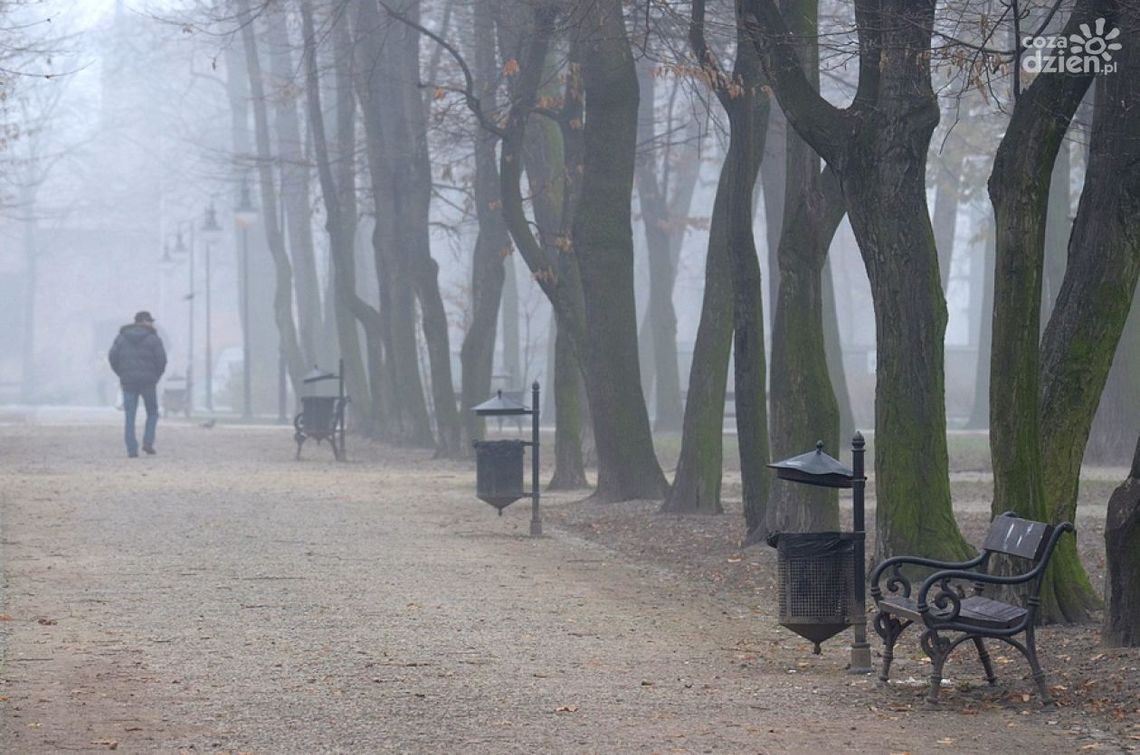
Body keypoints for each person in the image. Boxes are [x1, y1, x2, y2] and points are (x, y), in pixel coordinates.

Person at [108, 311, 167, 458]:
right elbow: (162, 360)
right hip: (148, 382)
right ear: (144, 321)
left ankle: (132, 449)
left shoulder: (121, 338)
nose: (152, 324)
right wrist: (155, 376)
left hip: (129, 382)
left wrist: (122, 374)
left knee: (130, 416)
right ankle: (148, 442)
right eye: (150, 321)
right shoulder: (154, 339)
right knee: (152, 412)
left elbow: (112, 357)